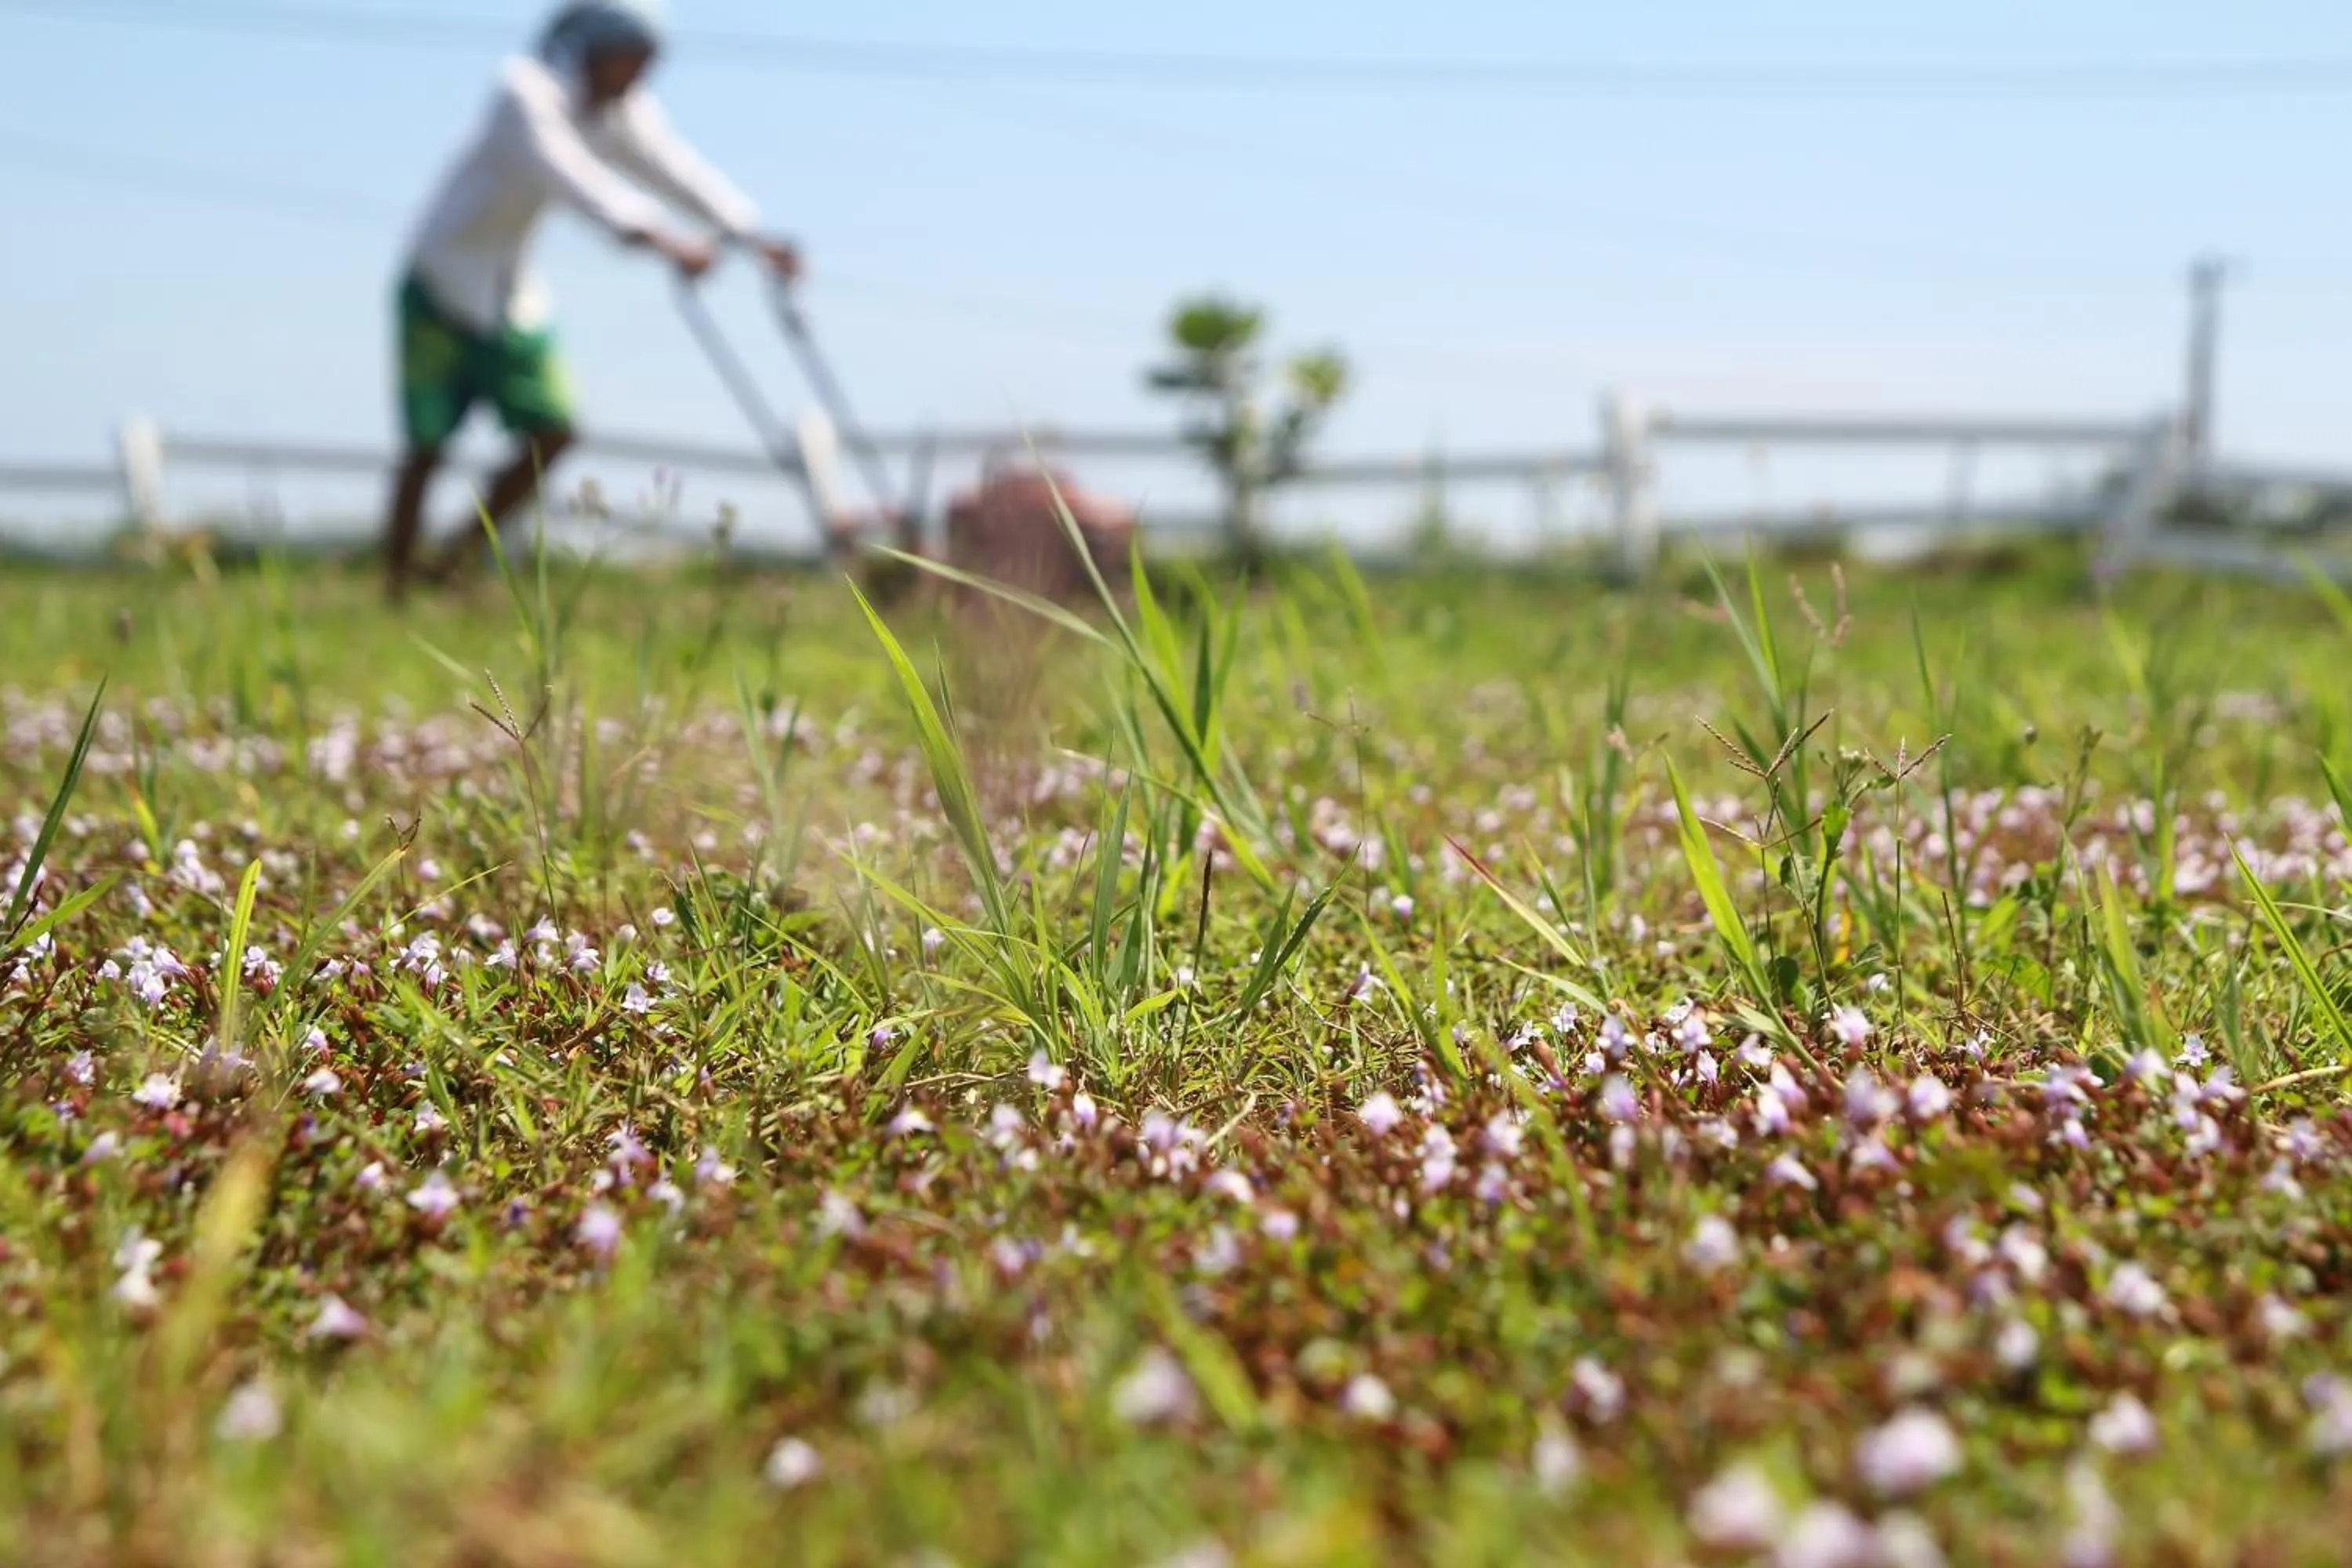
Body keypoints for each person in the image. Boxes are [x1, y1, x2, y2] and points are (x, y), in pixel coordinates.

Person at [383, 0, 801, 598]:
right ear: (595, 50)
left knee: (555, 430)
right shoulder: (524, 93)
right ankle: (396, 582)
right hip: (441, 280)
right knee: (427, 446)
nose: (641, 76)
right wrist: (665, 240)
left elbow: (673, 168)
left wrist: (751, 236)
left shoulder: (620, 113)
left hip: (510, 294)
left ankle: (455, 559)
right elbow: (574, 179)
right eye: (632, 60)